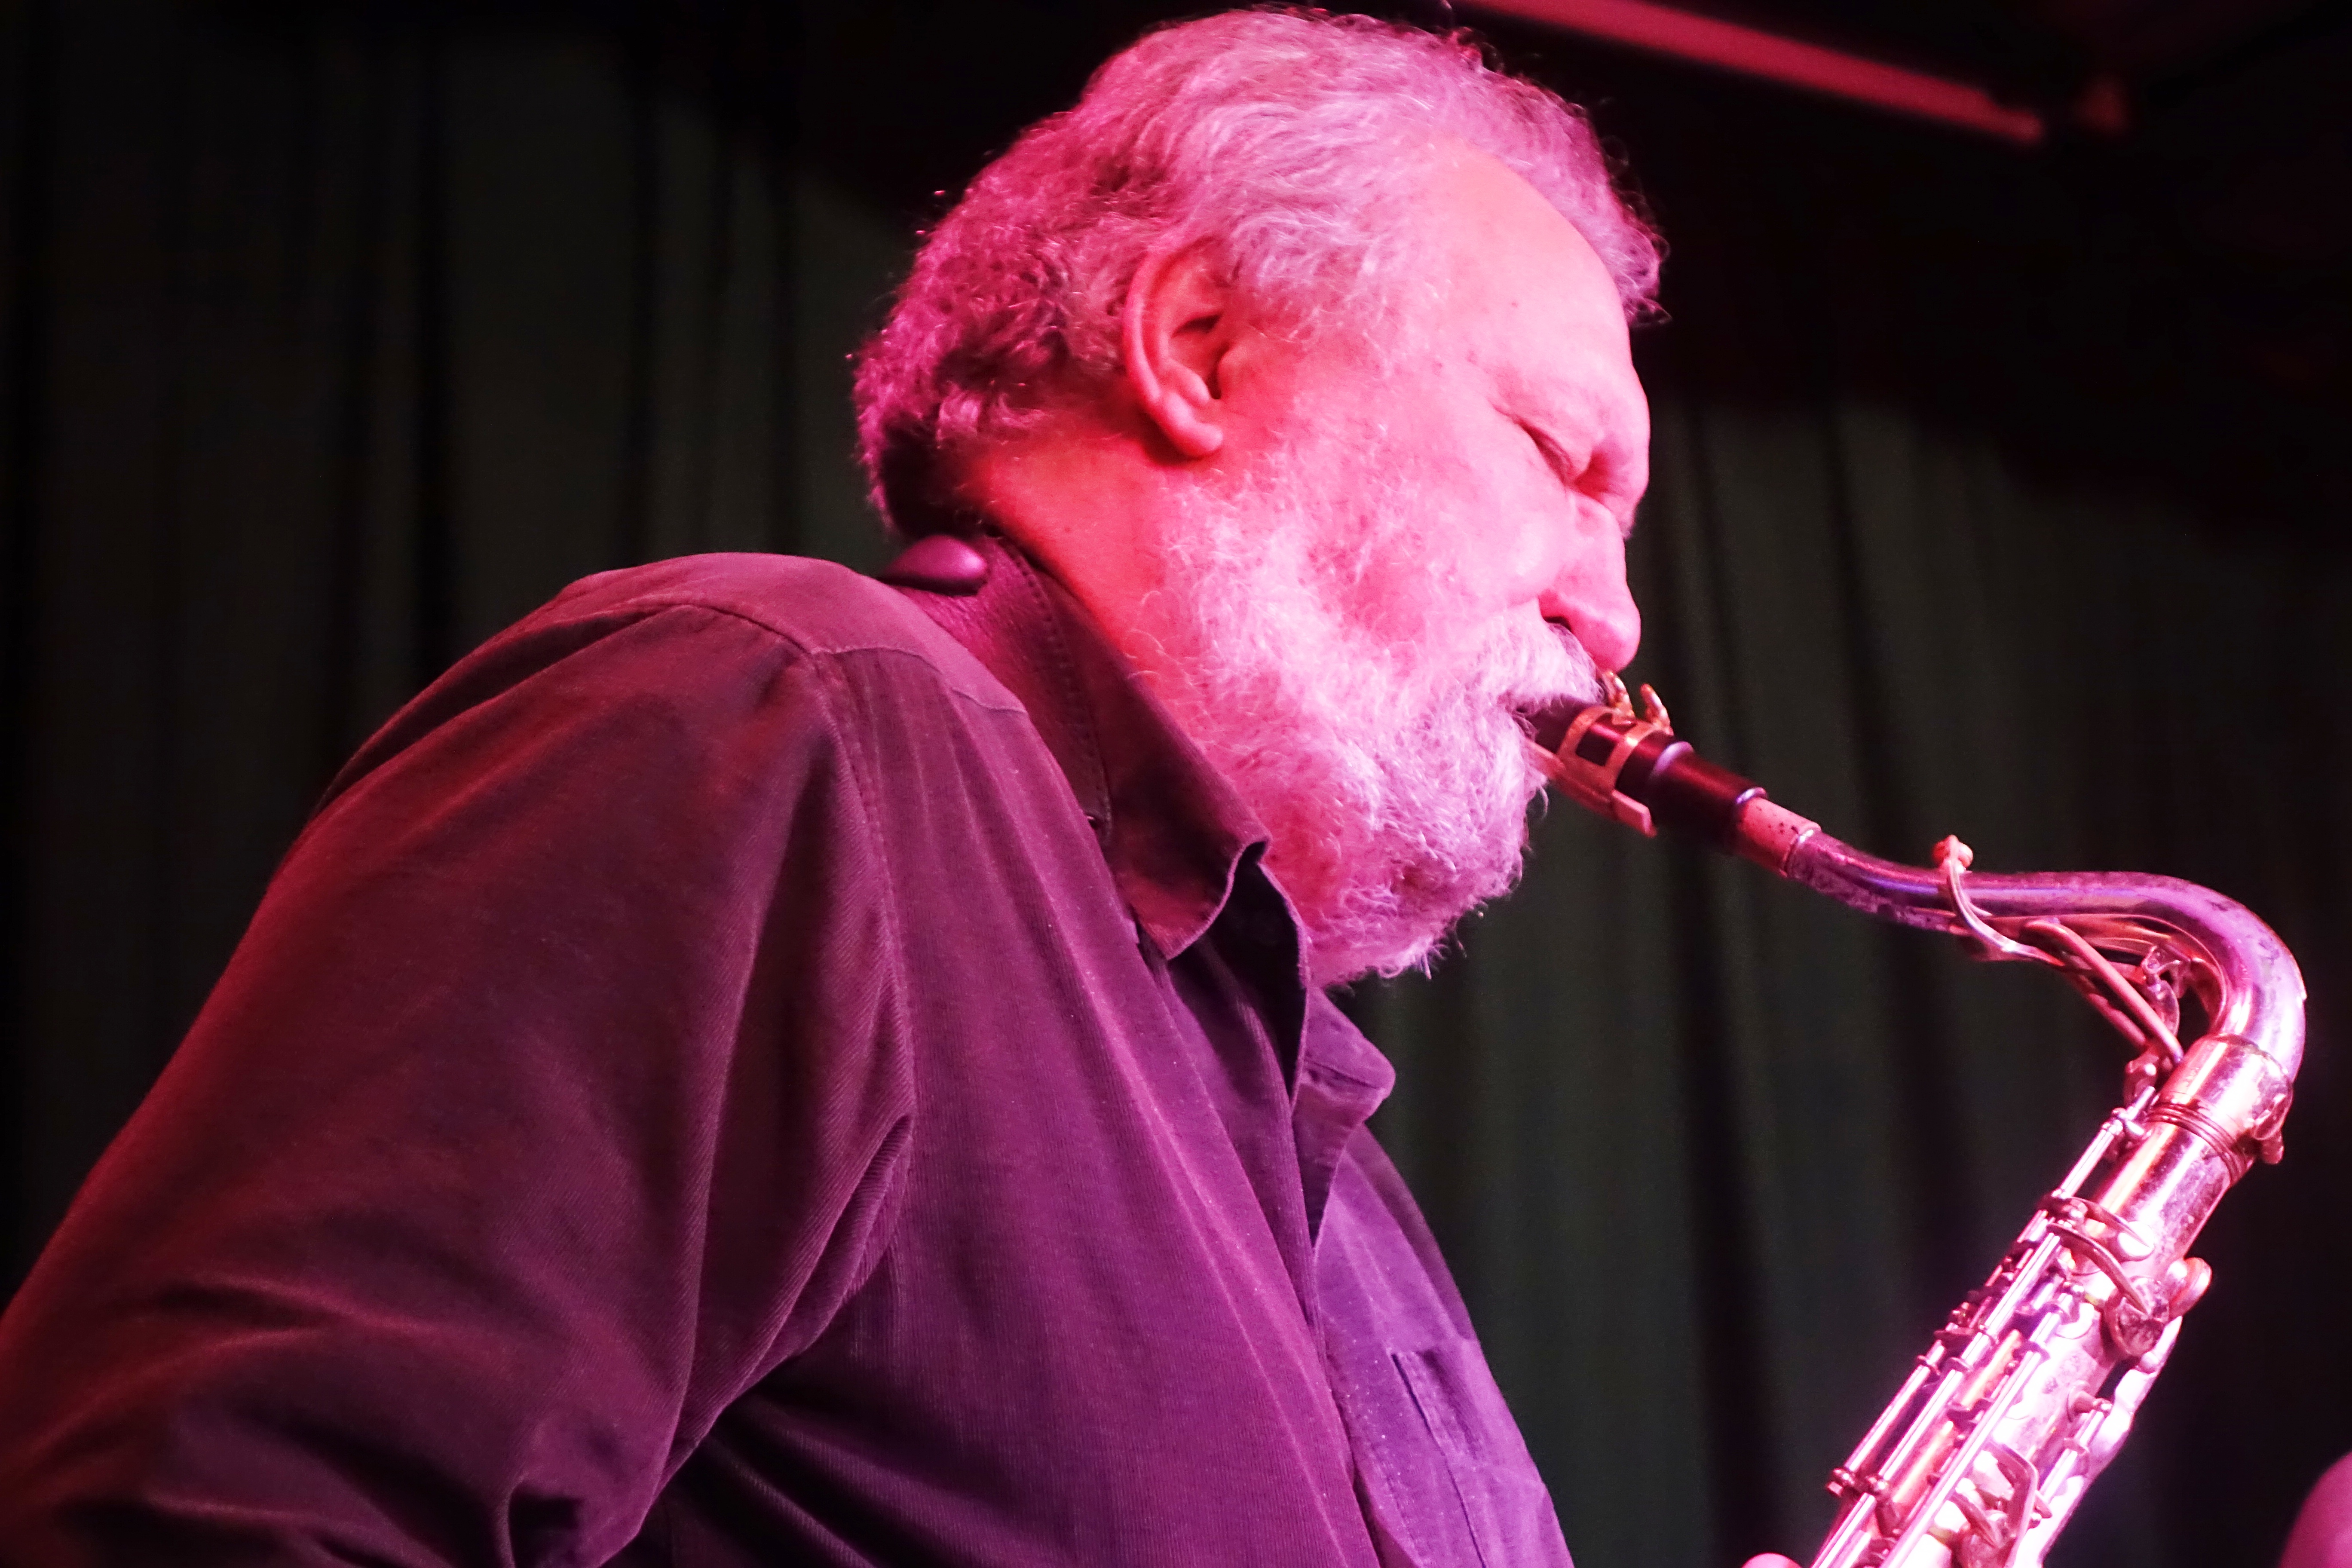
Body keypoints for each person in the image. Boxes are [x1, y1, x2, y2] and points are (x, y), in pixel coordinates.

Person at [0, 9, 1800, 1566]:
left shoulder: (1304, 1127)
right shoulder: (778, 725)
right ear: (1199, 348)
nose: (1616, 609)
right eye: (1566, 459)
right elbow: (196, 1511)